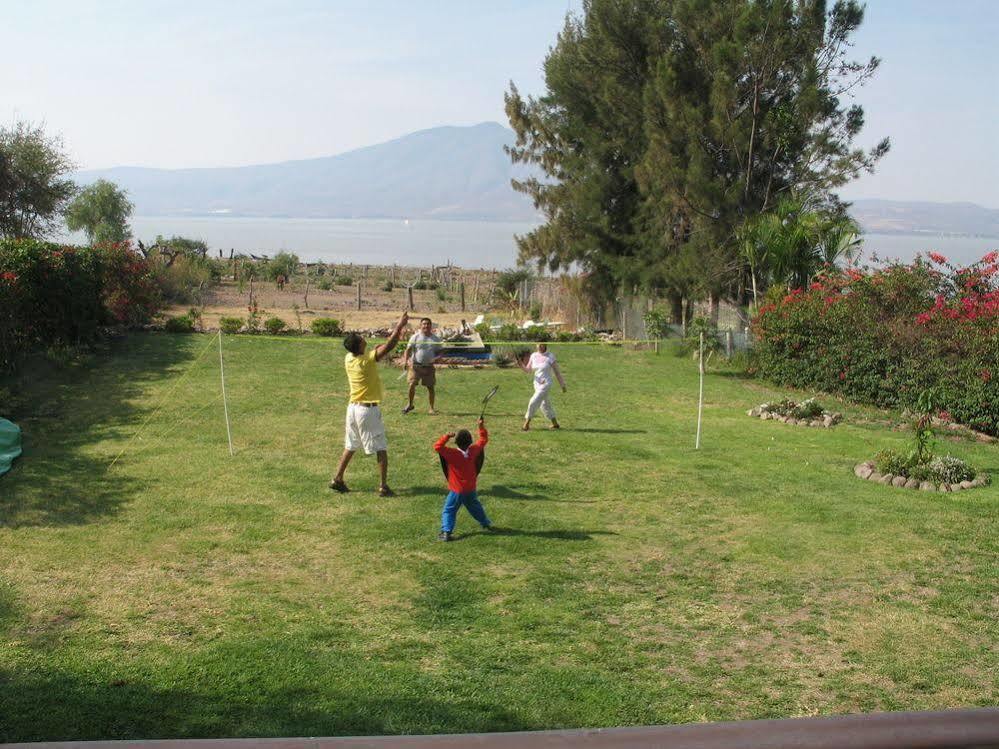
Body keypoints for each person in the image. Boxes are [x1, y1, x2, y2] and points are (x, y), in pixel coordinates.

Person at [330, 310, 409, 496]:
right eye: (361, 338)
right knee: (380, 447)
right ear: (359, 346)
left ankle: (338, 479)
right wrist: (400, 325)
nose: (364, 338)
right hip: (367, 411)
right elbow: (388, 346)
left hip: (352, 409)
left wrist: (393, 337)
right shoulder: (366, 361)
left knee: (350, 445)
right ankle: (383, 486)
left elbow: (383, 348)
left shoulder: (349, 358)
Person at [434, 417, 492, 541]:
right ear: (470, 441)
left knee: (449, 510)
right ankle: (485, 523)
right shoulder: (474, 450)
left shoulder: (452, 454)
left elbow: (437, 447)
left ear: (457, 442)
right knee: (475, 506)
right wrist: (481, 426)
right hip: (470, 488)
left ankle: (446, 532)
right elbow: (483, 439)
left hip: (457, 491)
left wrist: (446, 436)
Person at [518, 343, 566, 431]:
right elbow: (528, 370)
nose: (539, 346)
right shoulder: (533, 355)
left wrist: (562, 385)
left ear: (545, 345)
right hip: (536, 384)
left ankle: (526, 423)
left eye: (541, 344)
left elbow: (557, 372)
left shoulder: (550, 356)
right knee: (545, 404)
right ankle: (555, 424)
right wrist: (521, 365)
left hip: (546, 384)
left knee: (533, 401)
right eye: (538, 344)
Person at [402, 317, 442, 415]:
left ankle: (431, 408)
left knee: (430, 387)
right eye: (424, 324)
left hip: (429, 367)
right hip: (415, 366)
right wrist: (406, 361)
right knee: (411, 384)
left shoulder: (435, 339)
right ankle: (410, 404)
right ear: (420, 325)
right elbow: (408, 350)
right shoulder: (415, 337)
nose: (426, 326)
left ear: (431, 326)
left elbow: (440, 352)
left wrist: (436, 359)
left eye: (428, 324)